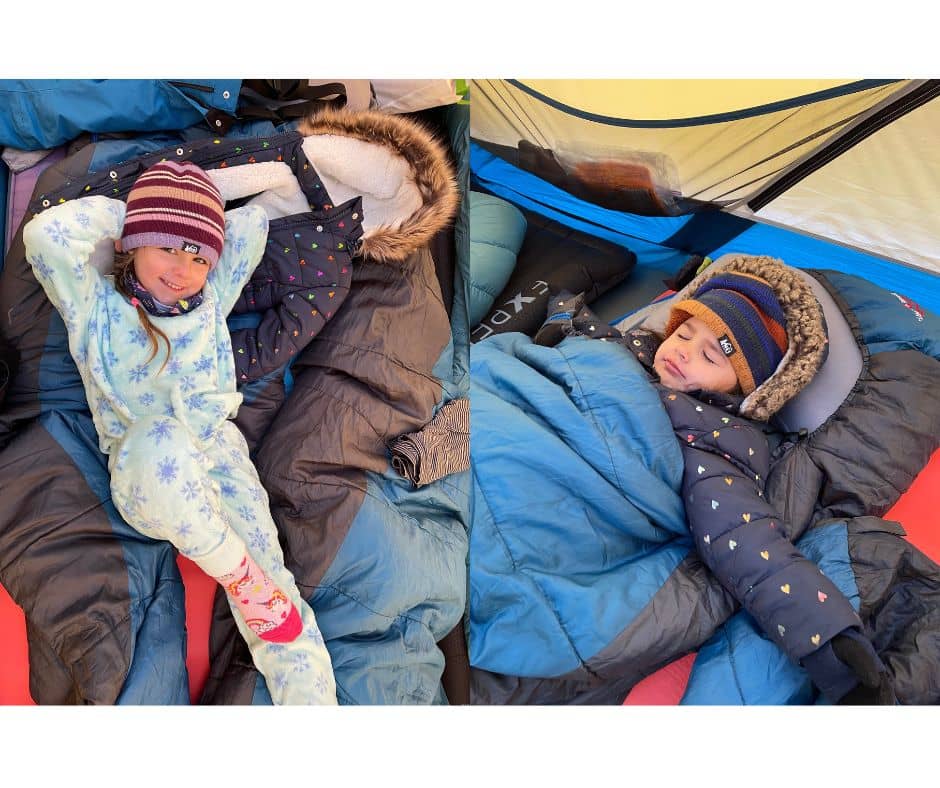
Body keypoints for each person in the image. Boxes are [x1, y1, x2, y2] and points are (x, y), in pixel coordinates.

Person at [23, 160, 336, 705]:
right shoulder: (94, 304)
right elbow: (45, 234)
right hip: (145, 464)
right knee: (161, 439)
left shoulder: (213, 296)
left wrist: (202, 198)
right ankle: (234, 571)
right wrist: (137, 212)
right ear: (131, 243)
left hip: (217, 452)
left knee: (280, 599)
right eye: (166, 247)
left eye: (196, 256)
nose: (181, 268)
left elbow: (253, 223)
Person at [537, 256, 896, 704]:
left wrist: (827, 640)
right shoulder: (617, 349)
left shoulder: (713, 432)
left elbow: (746, 541)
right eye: (684, 333)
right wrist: (564, 320)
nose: (684, 350)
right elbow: (553, 349)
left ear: (741, 388)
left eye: (710, 354)